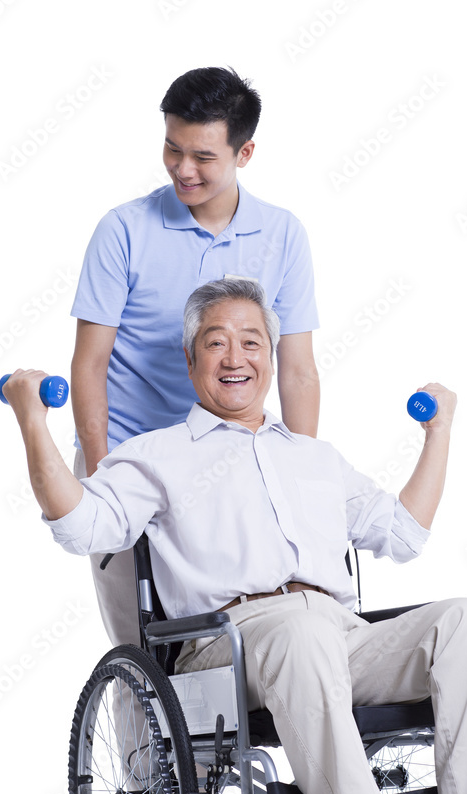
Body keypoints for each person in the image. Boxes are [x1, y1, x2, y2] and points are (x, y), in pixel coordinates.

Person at [3, 278, 467, 794]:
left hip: (338, 637)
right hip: (225, 649)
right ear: (191, 359)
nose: (236, 358)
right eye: (217, 343)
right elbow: (79, 525)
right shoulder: (157, 455)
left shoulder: (315, 458)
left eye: (251, 342)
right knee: (301, 632)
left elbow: (404, 533)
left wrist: (441, 431)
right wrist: (32, 419)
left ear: (269, 355)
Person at [69, 66, 320, 649]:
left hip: (226, 464)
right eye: (171, 148)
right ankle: (142, 743)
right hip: (132, 455)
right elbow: (89, 365)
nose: (183, 168)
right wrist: (107, 479)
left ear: (245, 151)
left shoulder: (283, 235)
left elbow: (299, 368)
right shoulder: (123, 230)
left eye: (202, 157)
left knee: (235, 634)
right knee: (144, 648)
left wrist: (303, 476)